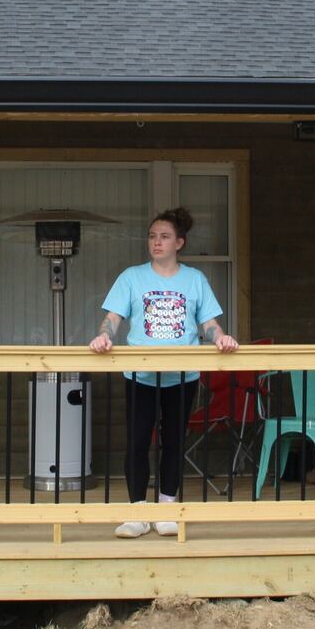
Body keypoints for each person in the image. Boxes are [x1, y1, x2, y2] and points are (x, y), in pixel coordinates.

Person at [89, 207, 238, 537]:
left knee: (173, 441)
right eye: (152, 236)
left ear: (179, 243)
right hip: (140, 376)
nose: (157, 242)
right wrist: (104, 336)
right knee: (137, 442)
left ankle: (167, 508)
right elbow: (113, 319)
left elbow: (209, 324)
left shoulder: (195, 279)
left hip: (182, 377)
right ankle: (138, 512)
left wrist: (220, 338)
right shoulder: (132, 277)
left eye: (165, 237)